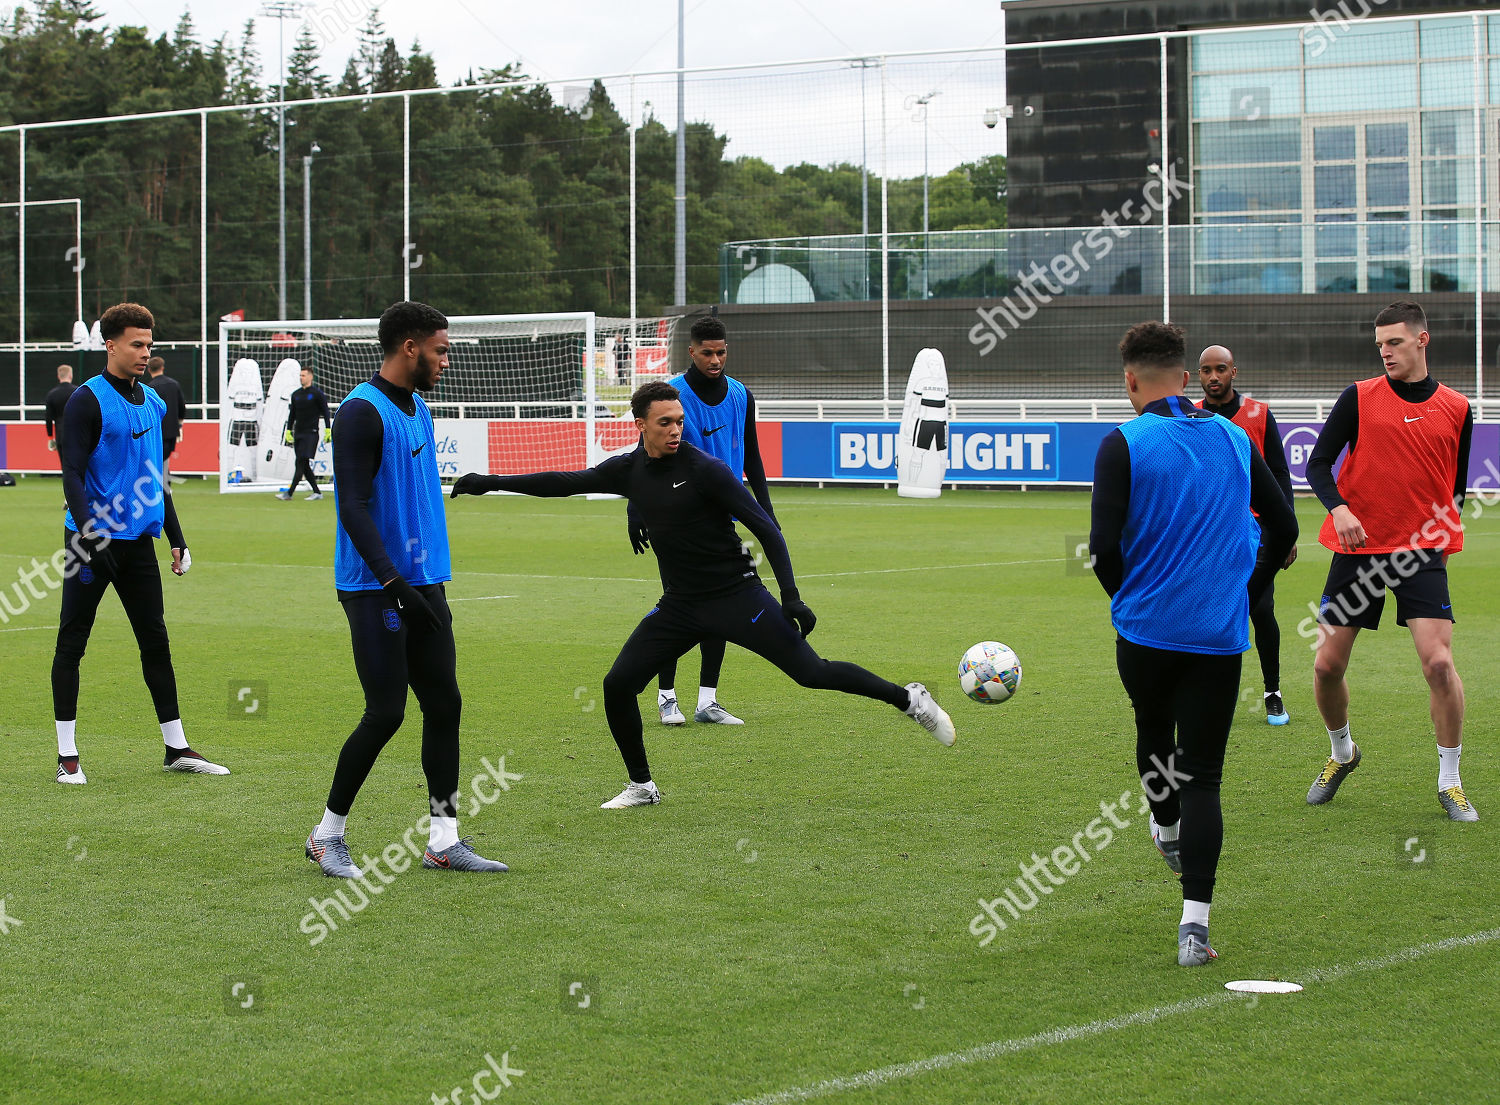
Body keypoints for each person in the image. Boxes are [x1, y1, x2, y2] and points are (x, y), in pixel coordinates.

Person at [452, 380, 956, 810]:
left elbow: (767, 529)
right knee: (617, 685)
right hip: (680, 607)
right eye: (665, 423)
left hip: (739, 598)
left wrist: (792, 595)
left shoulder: (706, 469)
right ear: (640, 425)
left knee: (812, 673)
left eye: (678, 421)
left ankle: (907, 698)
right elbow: (563, 482)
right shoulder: (628, 470)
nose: (675, 430)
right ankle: (642, 786)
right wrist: (489, 482)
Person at [1090, 322, 1296, 966]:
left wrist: (1130, 601)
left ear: (1129, 381)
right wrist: (1244, 589)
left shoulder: (1121, 443)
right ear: (1185, 378)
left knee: (1152, 728)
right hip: (1217, 635)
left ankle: (1166, 828)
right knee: (1203, 775)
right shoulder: (1235, 436)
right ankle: (1195, 929)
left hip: (1145, 632)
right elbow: (1285, 522)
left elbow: (1101, 552)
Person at [305, 300, 507, 878]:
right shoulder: (360, 414)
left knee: (445, 703)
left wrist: (419, 581)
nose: (447, 361)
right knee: (386, 711)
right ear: (410, 347)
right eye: (441, 350)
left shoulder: (418, 407)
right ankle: (327, 834)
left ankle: (444, 840)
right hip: (375, 587)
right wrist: (392, 582)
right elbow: (354, 507)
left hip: (424, 583)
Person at [1305, 301, 1476, 821]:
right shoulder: (1357, 398)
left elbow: (1458, 487)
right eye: (1380, 343)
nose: (1385, 351)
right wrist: (1341, 511)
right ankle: (1342, 754)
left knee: (1440, 664)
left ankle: (1450, 782)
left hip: (1421, 552)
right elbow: (1317, 465)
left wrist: (1438, 535)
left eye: (1395, 342)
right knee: (1326, 665)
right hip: (1359, 550)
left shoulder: (1459, 407)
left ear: (1422, 340)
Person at [52, 303, 228, 784]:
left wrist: (176, 536)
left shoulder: (153, 401)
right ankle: (68, 756)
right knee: (73, 641)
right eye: (136, 344)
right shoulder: (86, 400)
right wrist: (90, 531)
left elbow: (155, 478)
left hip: (138, 545)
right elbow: (70, 474)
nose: (144, 353)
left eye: (149, 345)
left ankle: (177, 748)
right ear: (110, 345)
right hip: (90, 541)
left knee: (156, 641)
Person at [630, 315, 776, 728]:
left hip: (719, 520)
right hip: (673, 518)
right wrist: (635, 509)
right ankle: (666, 697)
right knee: (679, 603)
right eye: (707, 352)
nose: (715, 359)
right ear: (691, 352)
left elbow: (752, 457)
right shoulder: (671, 393)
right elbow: (643, 451)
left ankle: (707, 701)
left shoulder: (741, 394)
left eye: (721, 351)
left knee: (720, 607)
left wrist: (766, 513)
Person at [1196, 344, 1298, 725]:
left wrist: (1283, 532)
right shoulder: (1192, 416)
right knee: (1209, 611)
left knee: (1260, 608)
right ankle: (1207, 690)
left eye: (1220, 369)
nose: (1213, 377)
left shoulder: (1258, 413)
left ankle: (1272, 692)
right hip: (1212, 534)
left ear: (1234, 371)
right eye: (1206, 371)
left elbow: (1280, 473)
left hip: (1258, 532)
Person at [277, 365, 332, 501]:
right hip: (299, 433)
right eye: (300, 376)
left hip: (311, 433)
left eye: (304, 375)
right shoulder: (296, 394)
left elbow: (325, 411)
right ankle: (317, 492)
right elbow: (292, 414)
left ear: (311, 377)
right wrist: (289, 430)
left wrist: (327, 429)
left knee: (300, 462)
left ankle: (289, 493)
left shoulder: (317, 394)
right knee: (304, 464)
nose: (301, 378)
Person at [144, 356, 188, 484]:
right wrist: (179, 426)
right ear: (162, 368)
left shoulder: (149, 388)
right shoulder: (174, 384)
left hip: (155, 432)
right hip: (171, 431)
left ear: (149, 369)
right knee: (163, 461)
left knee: (157, 462)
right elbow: (182, 407)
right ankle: (165, 489)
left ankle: (163, 491)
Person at [44, 364, 77, 455]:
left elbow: (48, 418)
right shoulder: (77, 392)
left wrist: (50, 437)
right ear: (71, 375)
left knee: (64, 466)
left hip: (60, 434)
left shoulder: (52, 394)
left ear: (58, 376)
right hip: (77, 435)